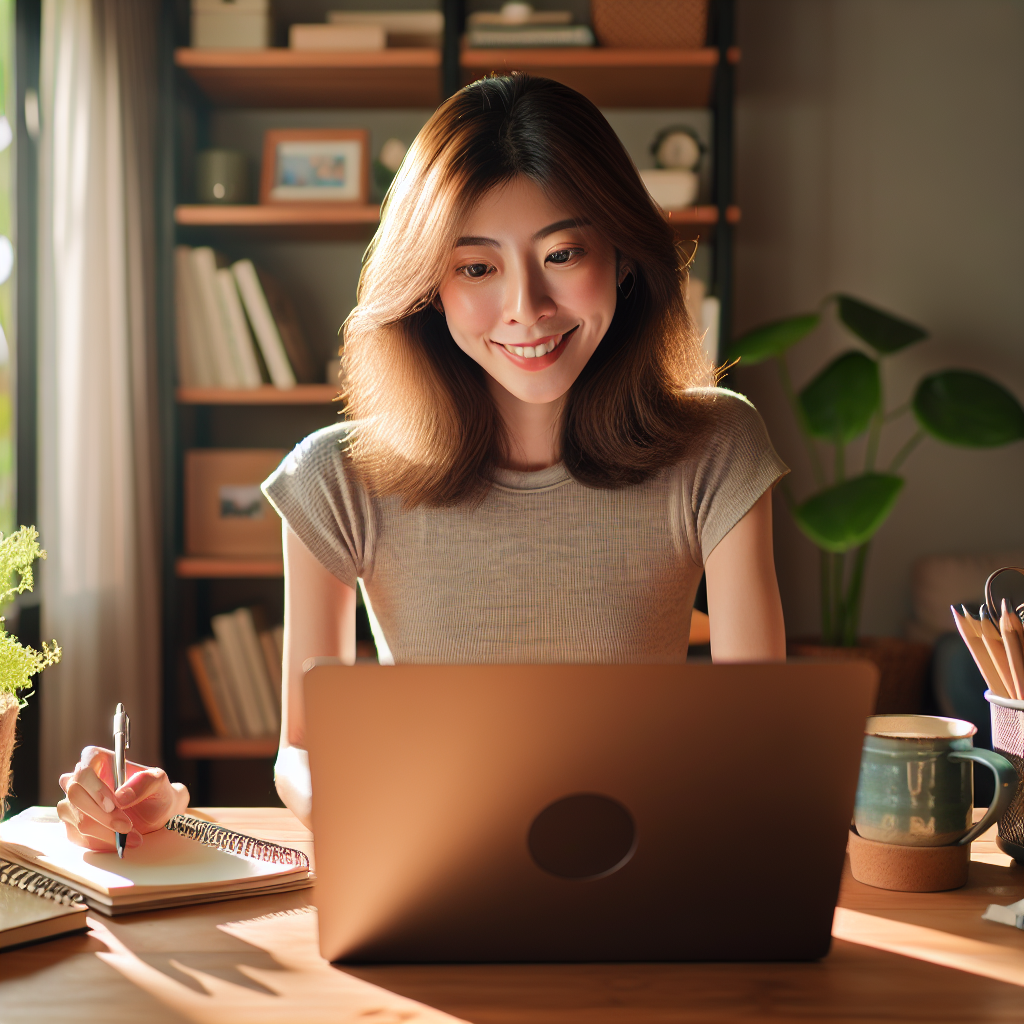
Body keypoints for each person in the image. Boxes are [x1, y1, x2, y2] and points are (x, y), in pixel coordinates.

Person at [57, 74, 786, 848]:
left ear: (626, 260)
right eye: (477, 268)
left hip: (647, 856)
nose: (526, 308)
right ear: (428, 290)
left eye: (564, 253)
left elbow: (763, 735)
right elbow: (302, 751)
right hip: (435, 857)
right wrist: (379, 815)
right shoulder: (333, 478)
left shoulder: (717, 445)